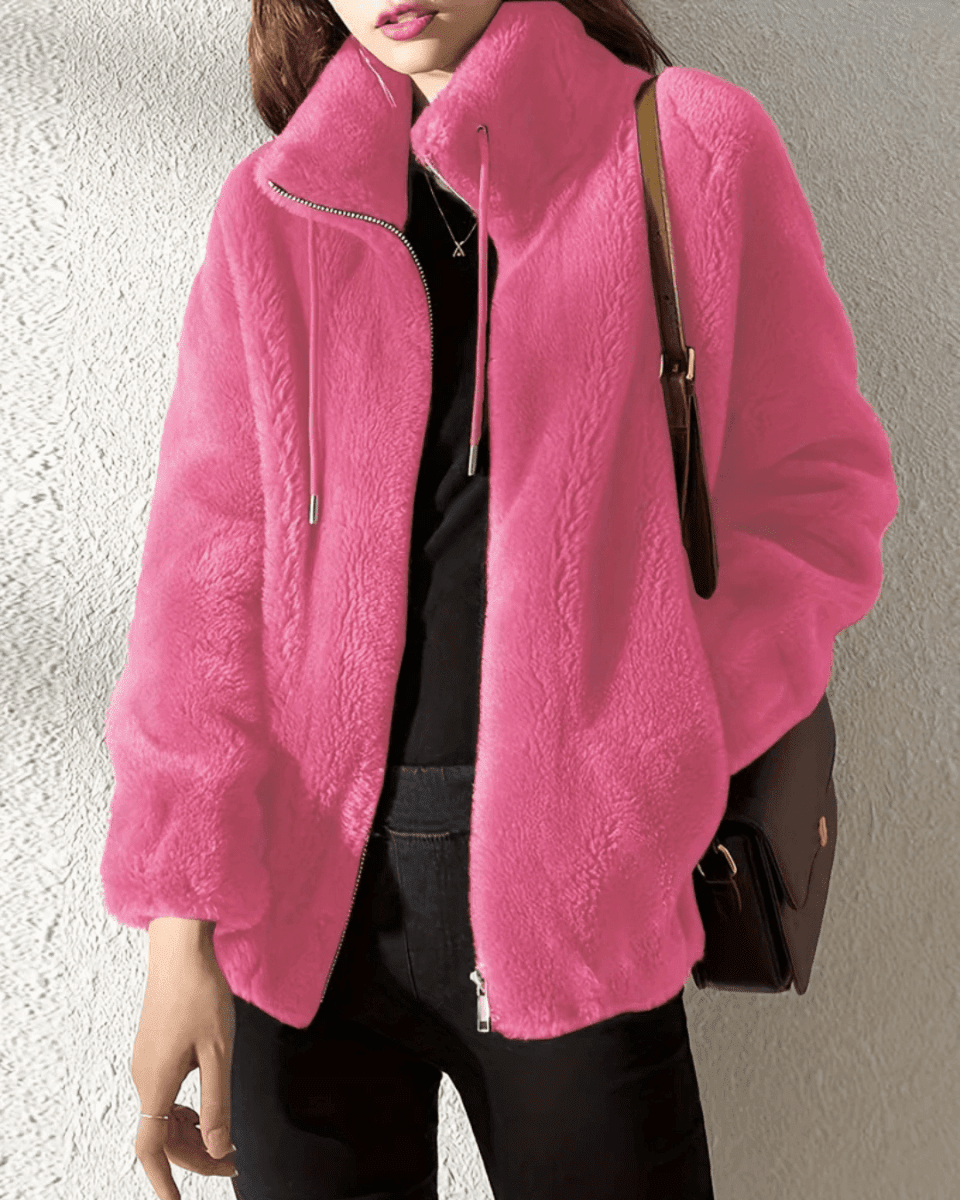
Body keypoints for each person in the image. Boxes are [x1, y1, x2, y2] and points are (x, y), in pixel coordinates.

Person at [100, 1, 900, 1198]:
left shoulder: (687, 148)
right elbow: (204, 580)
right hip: (304, 917)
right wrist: (182, 923)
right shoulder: (275, 210)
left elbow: (816, 498)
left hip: (577, 897)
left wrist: (651, 749)